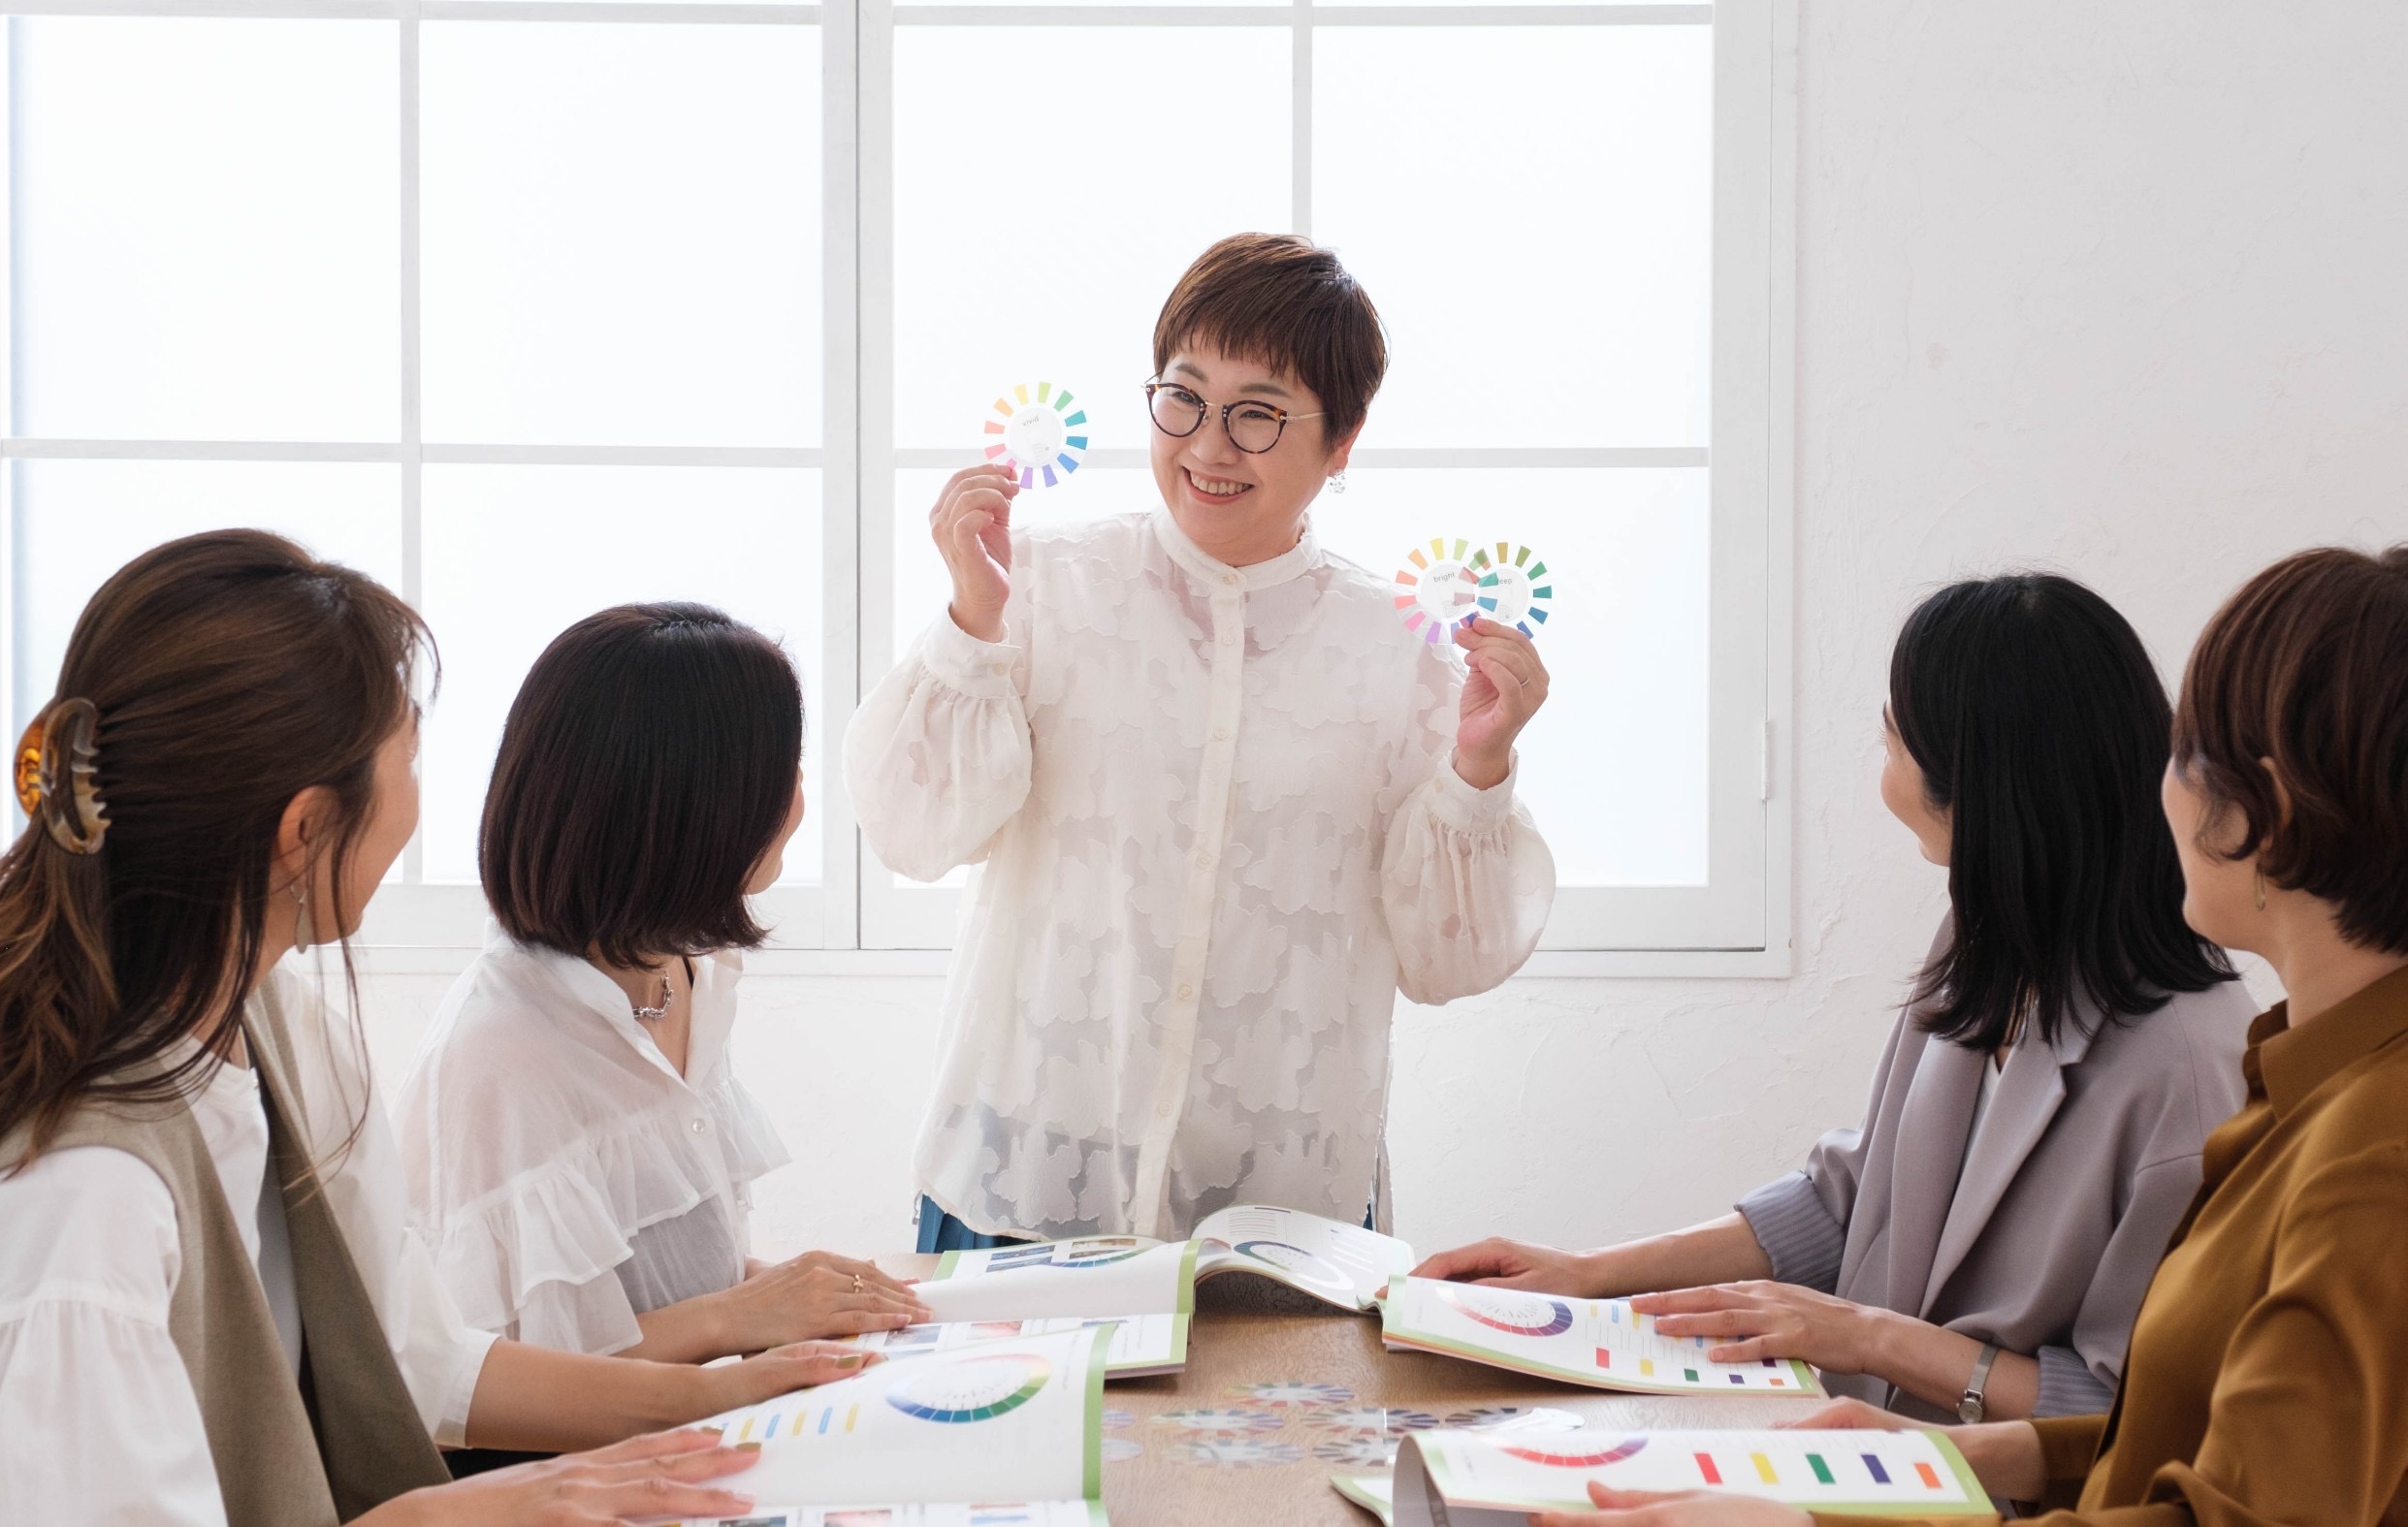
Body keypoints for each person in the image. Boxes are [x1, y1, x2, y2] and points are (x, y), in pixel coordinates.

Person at [0, 532, 875, 1525]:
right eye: (408, 754)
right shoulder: (83, 1200)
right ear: (306, 829)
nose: (419, 797)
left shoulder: (281, 1026)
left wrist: (723, 1397)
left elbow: (413, 1348)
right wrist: (461, 1510)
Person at [1529, 542, 2408, 1526]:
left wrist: (1847, 1444)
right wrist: (1926, 1455)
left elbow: (2197, 1476)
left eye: (2189, 754)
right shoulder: (2294, 1077)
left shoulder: (2338, 1137)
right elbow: (2157, 1440)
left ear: (2269, 810)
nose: (2159, 788)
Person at [846, 232, 1557, 1249]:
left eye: (1258, 413)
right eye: (1183, 397)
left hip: (1280, 1190)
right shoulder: (1036, 584)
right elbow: (911, 832)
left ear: (1343, 440)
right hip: (1029, 1171)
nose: (1210, 446)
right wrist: (970, 623)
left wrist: (1479, 767)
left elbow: (1447, 957)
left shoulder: (1399, 653)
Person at [1422, 574, 2254, 1422]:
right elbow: (1852, 1199)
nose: (1881, 779)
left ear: (1980, 787)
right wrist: (1587, 1274)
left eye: (1891, 744)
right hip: (1867, 1449)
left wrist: (1874, 1339)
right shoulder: (1989, 938)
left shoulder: (2186, 1067)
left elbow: (2136, 1417)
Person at [399, 604, 926, 1365]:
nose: (799, 795)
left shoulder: (685, 973)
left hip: (706, 1416)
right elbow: (500, 1381)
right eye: (780, 772)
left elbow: (662, 1288)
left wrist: (798, 1294)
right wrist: (742, 1316)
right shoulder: (501, 1056)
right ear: (691, 811)